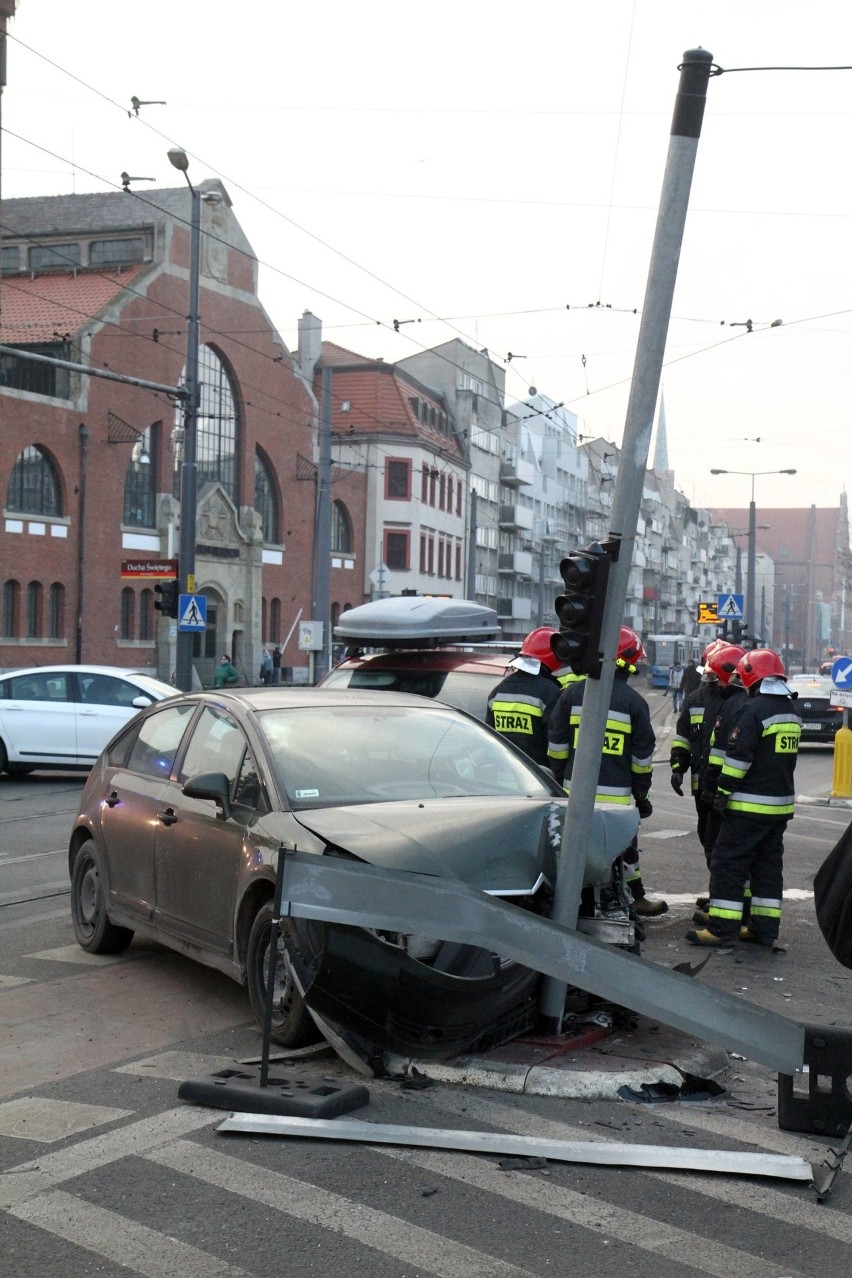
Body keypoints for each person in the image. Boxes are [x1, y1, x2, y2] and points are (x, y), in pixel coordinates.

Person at [548, 626, 667, 918]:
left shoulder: (572, 695)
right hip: (616, 800)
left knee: (573, 850)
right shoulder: (635, 703)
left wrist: (559, 777)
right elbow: (642, 758)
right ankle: (629, 898)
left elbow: (557, 745)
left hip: (572, 792)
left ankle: (569, 903)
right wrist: (641, 794)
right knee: (622, 850)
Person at [686, 648, 802, 948]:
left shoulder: (753, 711)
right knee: (767, 866)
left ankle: (722, 929)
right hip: (779, 807)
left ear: (751, 676)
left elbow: (738, 759)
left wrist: (721, 793)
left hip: (748, 806)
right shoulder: (791, 711)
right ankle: (763, 929)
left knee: (728, 863)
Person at [669, 639, 729, 861]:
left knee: (723, 841)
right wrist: (678, 767)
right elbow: (683, 737)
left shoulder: (736, 701)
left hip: (727, 786)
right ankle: (720, 890)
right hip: (701, 783)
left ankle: (728, 892)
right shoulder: (695, 699)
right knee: (706, 836)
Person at [486, 626, 562, 767]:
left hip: (504, 771)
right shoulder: (550, 692)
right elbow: (556, 742)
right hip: (539, 776)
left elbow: (489, 738)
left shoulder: (498, 690)